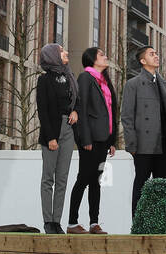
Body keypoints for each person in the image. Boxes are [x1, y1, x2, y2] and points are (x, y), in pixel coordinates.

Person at [121, 45, 166, 216]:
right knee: (141, 184)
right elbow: (126, 116)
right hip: (143, 144)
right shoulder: (132, 84)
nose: (156, 56)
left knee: (163, 187)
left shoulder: (163, 83)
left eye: (156, 53)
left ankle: (160, 223)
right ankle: (138, 223)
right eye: (151, 54)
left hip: (165, 143)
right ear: (142, 61)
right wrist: (131, 144)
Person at [66, 47, 119, 234]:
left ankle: (94, 223)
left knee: (96, 180)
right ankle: (72, 223)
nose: (106, 57)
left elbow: (111, 113)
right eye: (102, 55)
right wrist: (85, 138)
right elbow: (82, 110)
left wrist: (113, 141)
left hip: (104, 139)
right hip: (90, 140)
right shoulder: (86, 78)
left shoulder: (105, 81)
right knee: (83, 179)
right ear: (92, 59)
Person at [35, 43, 78, 234]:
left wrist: (75, 111)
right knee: (48, 179)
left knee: (62, 178)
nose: (66, 52)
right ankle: (48, 222)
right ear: (52, 56)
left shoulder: (69, 77)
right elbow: (42, 110)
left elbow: (76, 101)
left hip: (68, 129)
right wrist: (51, 137)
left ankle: (57, 221)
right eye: (61, 51)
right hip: (51, 131)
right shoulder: (44, 80)